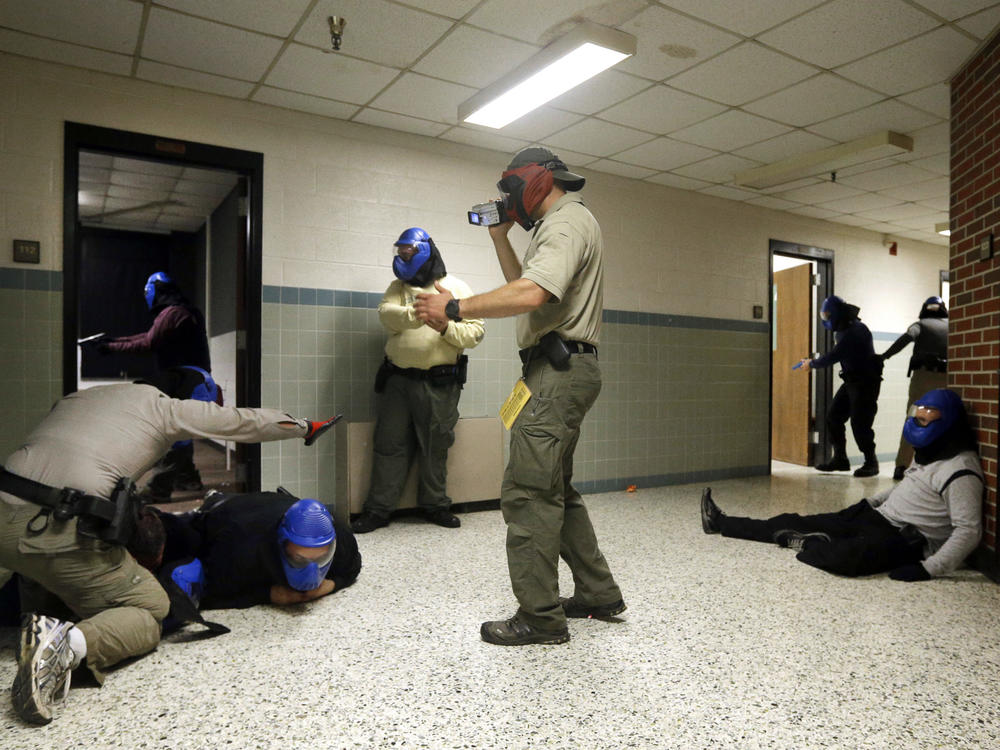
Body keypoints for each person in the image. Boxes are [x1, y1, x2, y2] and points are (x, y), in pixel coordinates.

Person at [0, 381, 338, 725]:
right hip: (58, 526)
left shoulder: (76, 400)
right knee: (152, 609)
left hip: (4, 512)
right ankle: (65, 644)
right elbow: (242, 421)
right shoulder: (162, 407)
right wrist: (304, 427)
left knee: (34, 566)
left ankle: (38, 614)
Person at [414, 146, 625, 647]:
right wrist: (498, 236)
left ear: (532, 181)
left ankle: (541, 618)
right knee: (556, 489)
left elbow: (531, 296)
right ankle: (597, 592)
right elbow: (527, 287)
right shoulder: (562, 225)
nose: (507, 200)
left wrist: (456, 307)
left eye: (508, 190)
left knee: (527, 493)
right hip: (558, 367)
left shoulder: (566, 222)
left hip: (558, 370)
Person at [701, 389, 983, 581]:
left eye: (926, 419)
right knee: (793, 519)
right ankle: (723, 523)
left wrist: (929, 569)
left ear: (948, 424)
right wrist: (872, 502)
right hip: (876, 516)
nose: (919, 424)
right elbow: (908, 488)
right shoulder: (929, 453)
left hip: (906, 538)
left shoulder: (960, 471)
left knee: (846, 558)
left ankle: (806, 542)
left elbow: (968, 530)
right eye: (917, 417)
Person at [351, 228, 484, 534]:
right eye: (400, 253)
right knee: (389, 445)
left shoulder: (457, 287)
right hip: (398, 380)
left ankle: (435, 505)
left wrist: (444, 327)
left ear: (425, 252)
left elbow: (476, 333)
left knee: (435, 446)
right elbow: (386, 315)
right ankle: (378, 510)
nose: (403, 258)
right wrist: (417, 312)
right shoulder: (397, 287)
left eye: (409, 253)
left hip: (440, 384)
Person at [101, 272, 213, 496]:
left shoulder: (172, 313)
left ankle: (158, 489)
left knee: (170, 433)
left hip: (187, 380)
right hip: (196, 379)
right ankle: (188, 480)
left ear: (156, 292)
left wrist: (111, 346)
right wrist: (112, 342)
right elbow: (149, 336)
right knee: (180, 430)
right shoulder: (181, 312)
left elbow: (148, 342)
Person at [149, 490, 360, 609]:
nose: (310, 575)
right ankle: (214, 497)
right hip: (228, 513)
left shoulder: (341, 539)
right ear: (281, 545)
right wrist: (268, 594)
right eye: (299, 559)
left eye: (321, 558)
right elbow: (211, 595)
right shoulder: (239, 552)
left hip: (275, 504)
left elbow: (353, 568)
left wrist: (329, 586)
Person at [796, 295, 883, 477]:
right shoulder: (843, 330)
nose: (826, 318)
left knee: (860, 424)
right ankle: (841, 460)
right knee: (833, 416)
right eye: (824, 315)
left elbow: (835, 355)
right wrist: (813, 362)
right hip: (852, 381)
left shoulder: (856, 331)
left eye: (828, 315)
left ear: (836, 313)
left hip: (866, 383)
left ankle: (871, 463)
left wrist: (812, 364)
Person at [880, 296, 949, 480]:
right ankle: (940, 467)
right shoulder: (953, 325)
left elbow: (907, 337)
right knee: (945, 419)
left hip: (923, 377)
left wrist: (884, 356)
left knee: (913, 417)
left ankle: (902, 466)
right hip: (948, 379)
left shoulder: (921, 324)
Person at [140, 365, 221, 501]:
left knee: (176, 445)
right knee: (179, 440)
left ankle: (158, 491)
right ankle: (188, 480)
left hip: (197, 388)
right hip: (192, 383)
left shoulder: (193, 391)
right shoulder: (147, 390)